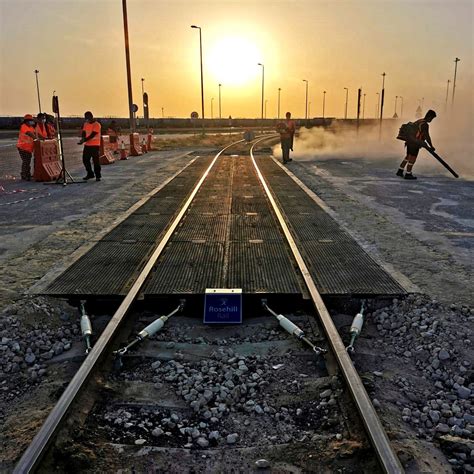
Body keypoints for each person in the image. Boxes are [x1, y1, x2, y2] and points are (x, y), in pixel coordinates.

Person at [397, 109, 436, 180]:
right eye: (432, 118)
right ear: (430, 116)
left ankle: (400, 170)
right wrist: (431, 146)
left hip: (409, 141)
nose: (431, 120)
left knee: (408, 156)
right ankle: (408, 174)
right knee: (412, 159)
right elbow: (427, 136)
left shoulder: (419, 121)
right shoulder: (425, 125)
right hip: (415, 143)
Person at [78, 111, 102, 181]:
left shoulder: (97, 124)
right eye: (85, 118)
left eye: (87, 118)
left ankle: (98, 175)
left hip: (95, 145)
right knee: (85, 160)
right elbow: (84, 132)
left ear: (91, 117)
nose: (86, 119)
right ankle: (90, 174)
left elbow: (92, 135)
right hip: (87, 145)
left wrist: (84, 140)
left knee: (96, 161)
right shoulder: (86, 124)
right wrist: (83, 138)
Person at [16, 114, 37, 180]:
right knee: (26, 161)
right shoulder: (24, 126)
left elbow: (35, 133)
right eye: (30, 121)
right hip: (23, 147)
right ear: (26, 121)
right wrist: (36, 138)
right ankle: (24, 175)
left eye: (32, 120)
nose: (31, 122)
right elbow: (29, 134)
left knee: (27, 161)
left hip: (28, 148)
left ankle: (27, 174)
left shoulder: (31, 127)